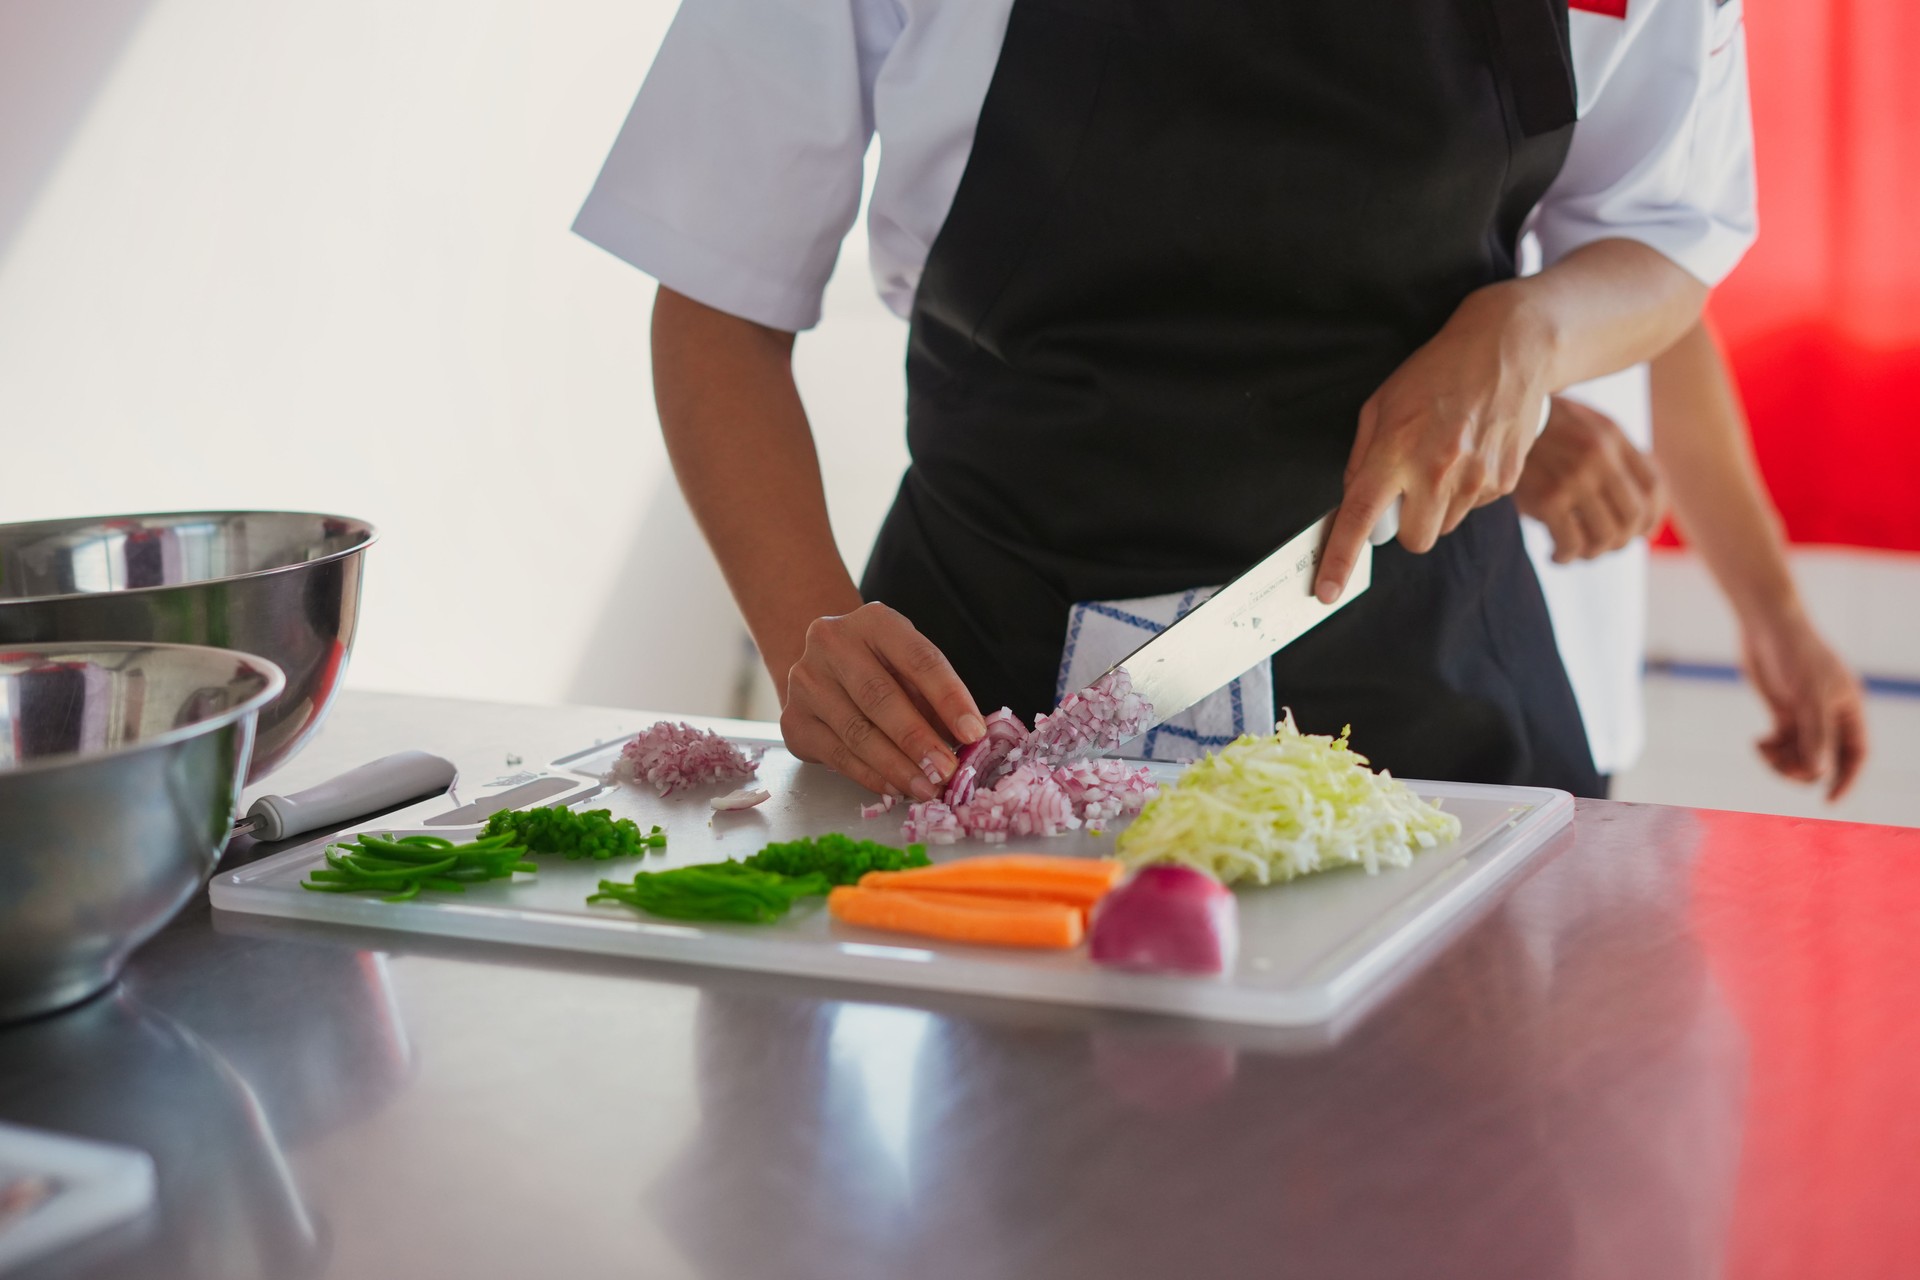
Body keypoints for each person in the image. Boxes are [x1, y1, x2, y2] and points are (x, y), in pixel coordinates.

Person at [576, 0, 1755, 801]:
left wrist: (1530, 329)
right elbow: (719, 300)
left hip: (1429, 697)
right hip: (972, 701)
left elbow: (1670, 234)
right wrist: (806, 639)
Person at [1515, 319, 1869, 800]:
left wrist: (1777, 617)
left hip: (1573, 694)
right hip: (1408, 665)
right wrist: (1510, 422)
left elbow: (1666, 325)